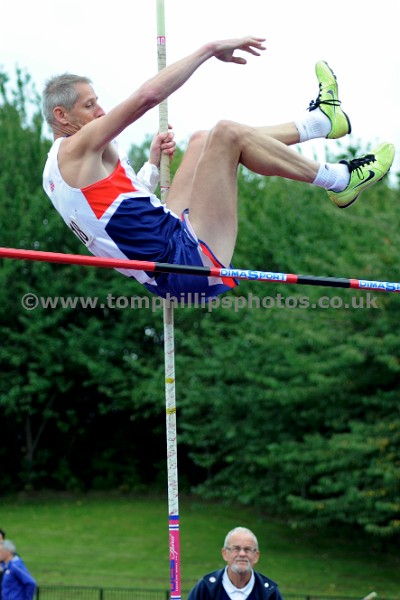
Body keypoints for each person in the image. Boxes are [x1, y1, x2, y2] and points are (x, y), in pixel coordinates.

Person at [42, 36, 395, 302]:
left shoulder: (56, 172)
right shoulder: (77, 149)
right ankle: (340, 179)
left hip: (170, 247)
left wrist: (151, 165)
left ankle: (320, 122)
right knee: (227, 134)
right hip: (184, 264)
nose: (101, 112)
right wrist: (208, 50)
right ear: (62, 115)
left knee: (202, 140)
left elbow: (117, 214)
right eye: (90, 105)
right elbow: (146, 98)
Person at [188, 526, 283, 600]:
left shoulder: (269, 593)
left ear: (256, 556)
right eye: (236, 549)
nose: (242, 554)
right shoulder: (205, 589)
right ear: (225, 553)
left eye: (247, 549)